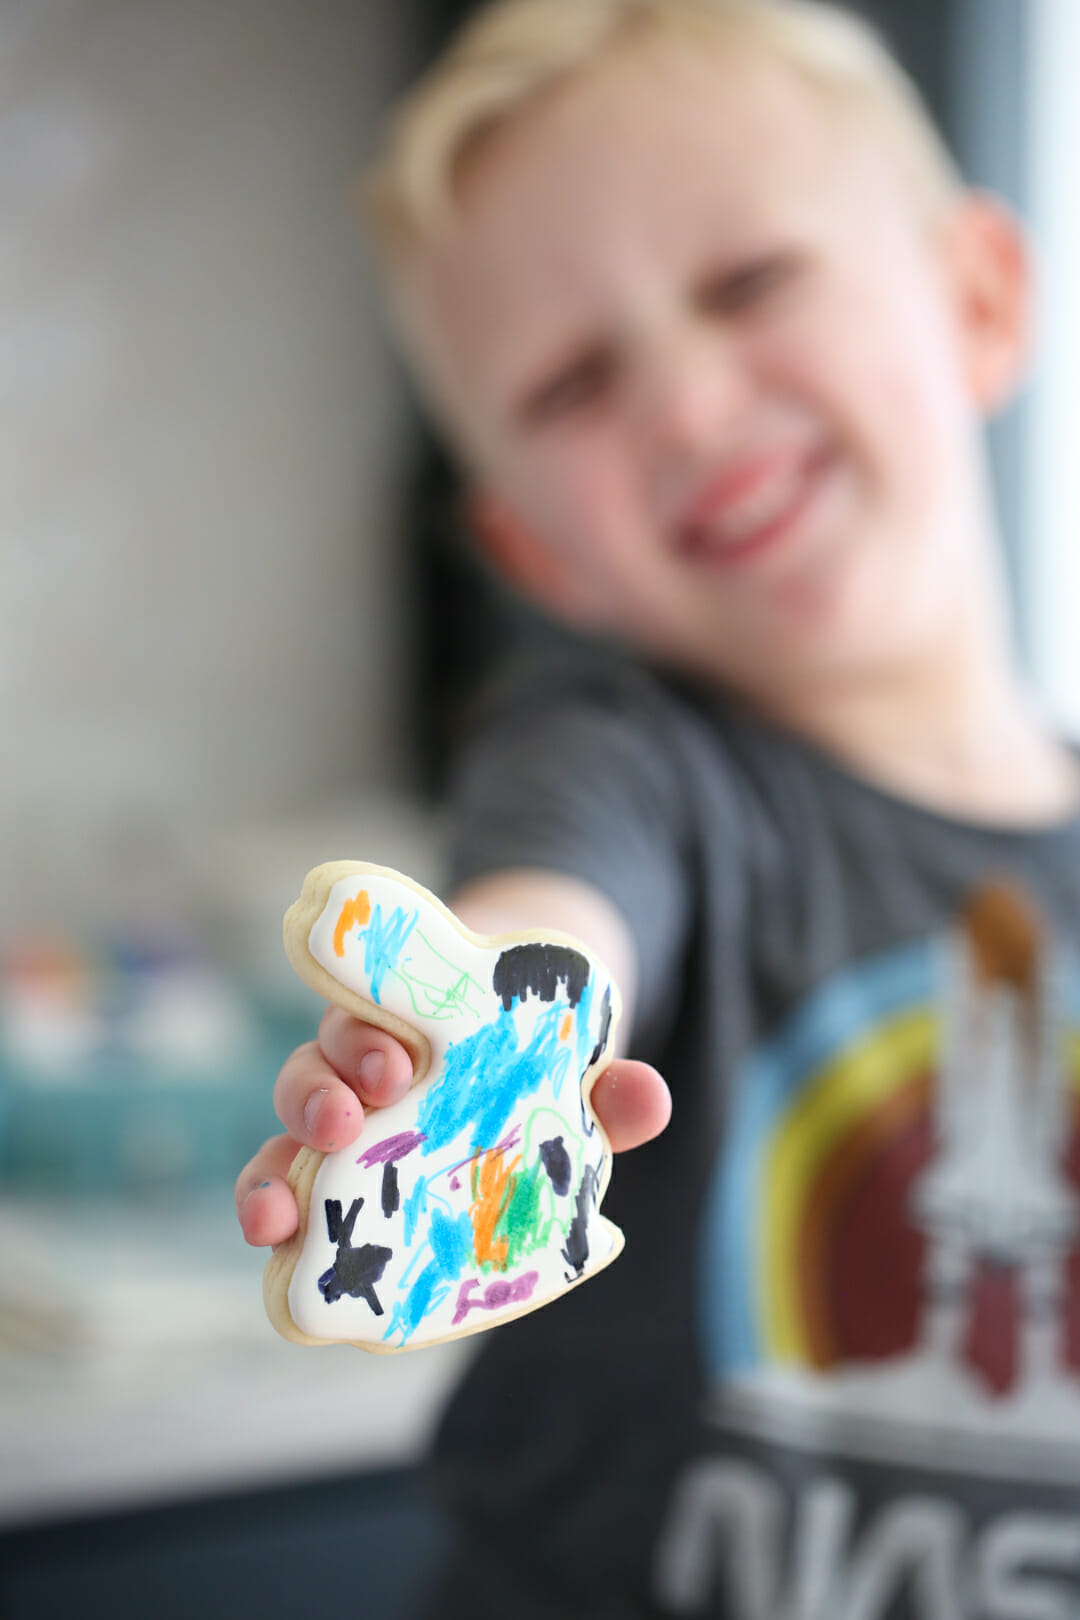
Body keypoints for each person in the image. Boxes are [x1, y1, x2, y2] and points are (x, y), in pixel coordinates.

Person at [236, 1, 1080, 1614]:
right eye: (572, 384)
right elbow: (554, 918)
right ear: (534, 551)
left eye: (750, 283)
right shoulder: (618, 760)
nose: (689, 406)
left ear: (977, 298)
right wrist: (475, 1045)